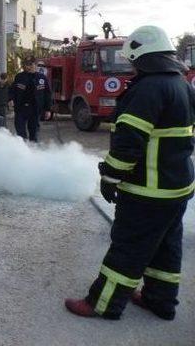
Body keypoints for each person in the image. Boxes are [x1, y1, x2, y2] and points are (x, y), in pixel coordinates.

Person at [66, 25, 195, 321]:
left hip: (148, 189)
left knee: (129, 247)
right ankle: (161, 300)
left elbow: (128, 143)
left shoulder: (148, 89)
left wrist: (110, 177)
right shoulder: (181, 84)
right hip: (177, 187)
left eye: (132, 59)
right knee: (166, 246)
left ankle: (103, 304)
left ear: (141, 55)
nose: (131, 65)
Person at [9, 57, 52, 142]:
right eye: (26, 65)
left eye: (31, 65)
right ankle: (23, 150)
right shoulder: (19, 77)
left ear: (36, 65)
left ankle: (33, 151)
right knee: (20, 133)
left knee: (34, 132)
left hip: (35, 109)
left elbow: (47, 94)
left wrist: (48, 109)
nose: (28, 67)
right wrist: (10, 99)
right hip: (21, 108)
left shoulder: (42, 78)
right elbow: (12, 90)